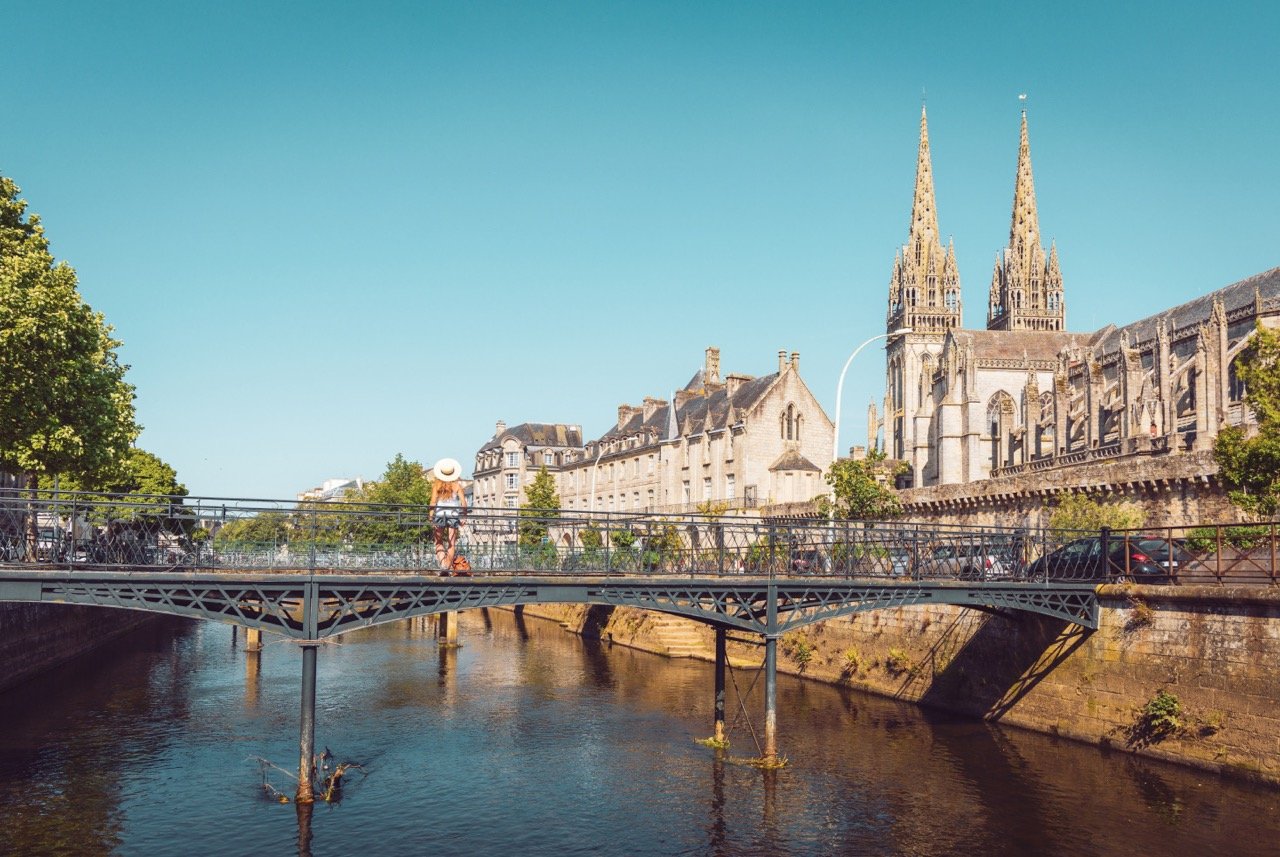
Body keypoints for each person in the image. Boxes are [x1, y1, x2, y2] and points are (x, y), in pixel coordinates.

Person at [430, 458, 468, 572]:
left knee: (438, 541)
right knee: (452, 543)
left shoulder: (437, 486)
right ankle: (447, 567)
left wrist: (431, 516)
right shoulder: (457, 486)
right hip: (453, 515)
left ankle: (443, 566)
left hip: (440, 515)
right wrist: (464, 517)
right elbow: (464, 503)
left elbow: (432, 502)